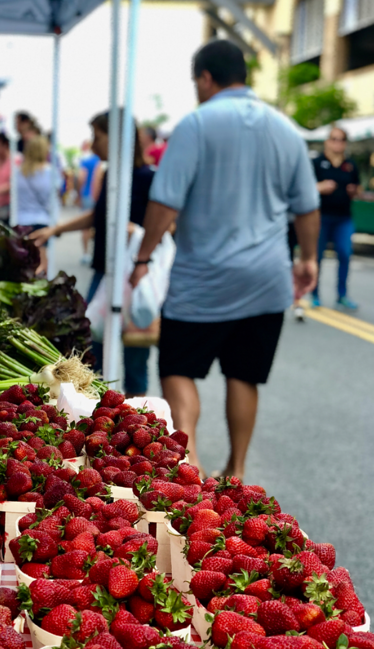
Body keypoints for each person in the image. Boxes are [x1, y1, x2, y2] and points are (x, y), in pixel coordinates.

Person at [128, 39, 320, 480]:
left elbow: (164, 202)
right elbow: (308, 206)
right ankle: (236, 469)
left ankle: (190, 459)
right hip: (266, 279)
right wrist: (308, 259)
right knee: (243, 376)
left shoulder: (195, 125)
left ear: (206, 78)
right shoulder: (285, 128)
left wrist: (142, 258)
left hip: (203, 279)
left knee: (177, 367)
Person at [30, 110, 155, 397]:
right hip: (104, 273)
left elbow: (168, 225)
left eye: (97, 136)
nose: (93, 143)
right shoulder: (110, 175)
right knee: (92, 351)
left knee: (135, 355)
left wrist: (136, 232)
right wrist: (56, 229)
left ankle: (140, 419)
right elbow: (97, 216)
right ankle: (98, 408)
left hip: (134, 276)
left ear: (117, 139)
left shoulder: (147, 178)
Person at [311, 126, 360, 310]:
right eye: (334, 139)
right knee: (317, 255)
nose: (337, 143)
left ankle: (342, 294)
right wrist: (320, 187)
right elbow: (304, 188)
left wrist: (353, 191)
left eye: (341, 139)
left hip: (343, 217)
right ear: (327, 141)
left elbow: (358, 187)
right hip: (321, 216)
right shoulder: (317, 163)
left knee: (345, 253)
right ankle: (314, 292)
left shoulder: (350, 165)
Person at [16, 136, 53, 274]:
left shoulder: (18, 172)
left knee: (26, 260)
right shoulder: (50, 172)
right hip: (42, 220)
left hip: (21, 221)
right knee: (42, 261)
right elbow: (53, 199)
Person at [76, 141, 102, 265]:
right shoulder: (101, 160)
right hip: (99, 197)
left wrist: (79, 195)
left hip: (88, 195)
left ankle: (86, 254)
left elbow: (82, 178)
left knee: (85, 226)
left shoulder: (86, 161)